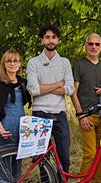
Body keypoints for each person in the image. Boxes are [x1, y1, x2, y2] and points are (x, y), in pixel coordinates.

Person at [27, 24, 75, 173]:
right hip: (40, 114)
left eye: (54, 37)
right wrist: (59, 84)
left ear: (58, 40)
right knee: (42, 157)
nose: (51, 41)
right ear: (42, 40)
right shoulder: (33, 62)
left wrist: (44, 88)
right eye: (47, 37)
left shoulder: (64, 62)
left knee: (64, 156)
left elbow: (70, 88)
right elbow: (33, 89)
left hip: (59, 114)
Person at [71, 33, 101, 183]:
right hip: (86, 115)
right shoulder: (79, 65)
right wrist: (81, 115)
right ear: (85, 46)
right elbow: (73, 92)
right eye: (90, 44)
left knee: (100, 153)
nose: (94, 47)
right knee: (89, 153)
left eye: (97, 44)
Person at [0, 49, 32, 183]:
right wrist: (0, 128)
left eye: (16, 61)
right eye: (9, 61)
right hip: (6, 126)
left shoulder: (23, 82)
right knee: (3, 166)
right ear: (4, 64)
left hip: (21, 127)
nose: (12, 64)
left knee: (16, 165)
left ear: (20, 64)